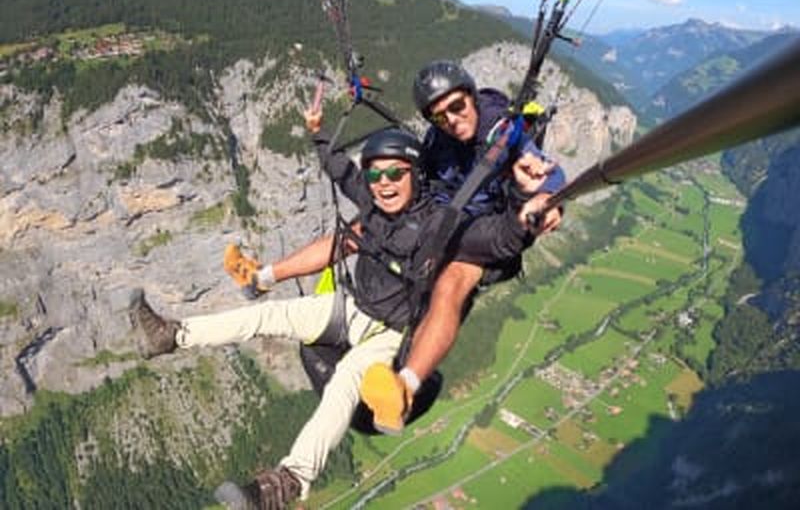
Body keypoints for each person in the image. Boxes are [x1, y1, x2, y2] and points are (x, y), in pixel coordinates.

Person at [129, 99, 551, 509]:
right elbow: (341, 170)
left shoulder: (440, 226)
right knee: (269, 315)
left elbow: (490, 240)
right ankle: (172, 335)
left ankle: (286, 482)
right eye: (377, 175)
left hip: (390, 335)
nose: (383, 182)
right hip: (350, 307)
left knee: (348, 377)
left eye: (395, 174)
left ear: (416, 176)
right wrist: (318, 133)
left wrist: (523, 216)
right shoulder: (372, 206)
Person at [359, 60, 566, 434]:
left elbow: (541, 166)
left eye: (457, 107)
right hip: (448, 223)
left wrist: (546, 196)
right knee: (393, 252)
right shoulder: (438, 142)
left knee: (451, 283)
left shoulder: (500, 128)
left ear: (471, 97)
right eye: (439, 116)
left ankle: (404, 388)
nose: (452, 120)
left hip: (491, 230)